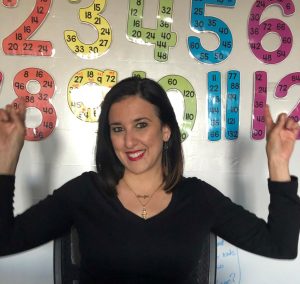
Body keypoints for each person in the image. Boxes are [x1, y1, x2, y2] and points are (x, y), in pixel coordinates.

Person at [0, 76, 300, 284]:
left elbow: (281, 246)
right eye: (117, 129)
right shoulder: (85, 192)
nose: (129, 141)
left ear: (166, 131)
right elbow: (5, 240)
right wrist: (8, 155)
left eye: (141, 125)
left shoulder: (198, 198)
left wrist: (277, 161)